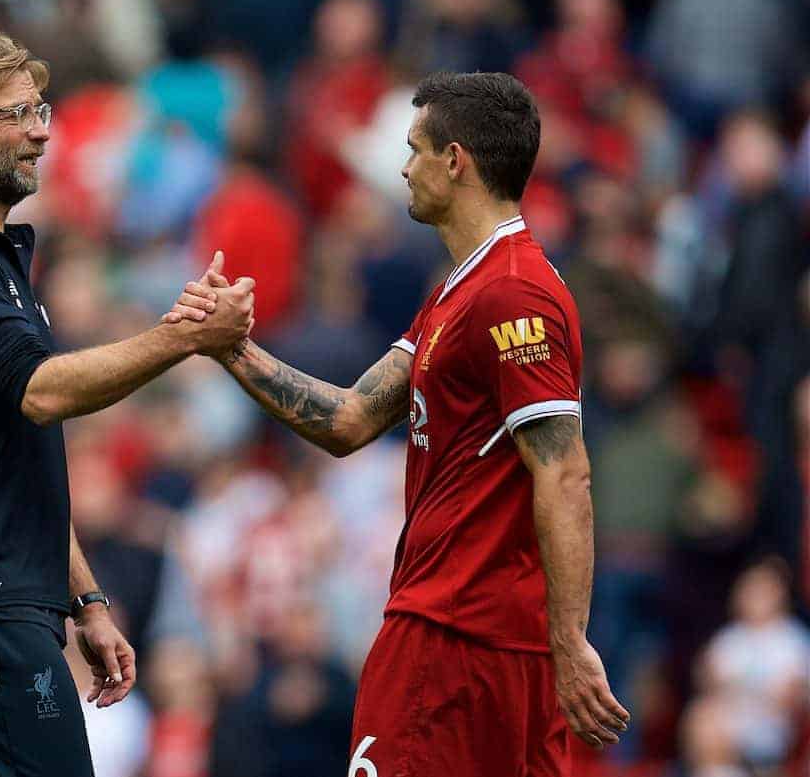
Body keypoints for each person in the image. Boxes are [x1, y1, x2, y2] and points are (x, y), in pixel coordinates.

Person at [167, 71, 630, 774]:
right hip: (483, 638)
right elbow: (350, 419)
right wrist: (231, 346)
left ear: (456, 161)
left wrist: (570, 640)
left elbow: (564, 470)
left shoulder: (511, 293)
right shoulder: (458, 292)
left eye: (414, 148)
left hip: (453, 638)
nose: (404, 166)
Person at [0, 20, 254, 777]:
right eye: (13, 114)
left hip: (2, 597)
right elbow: (43, 394)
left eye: (40, 111)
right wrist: (184, 336)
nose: (39, 133)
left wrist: (86, 599)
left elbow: (17, 453)